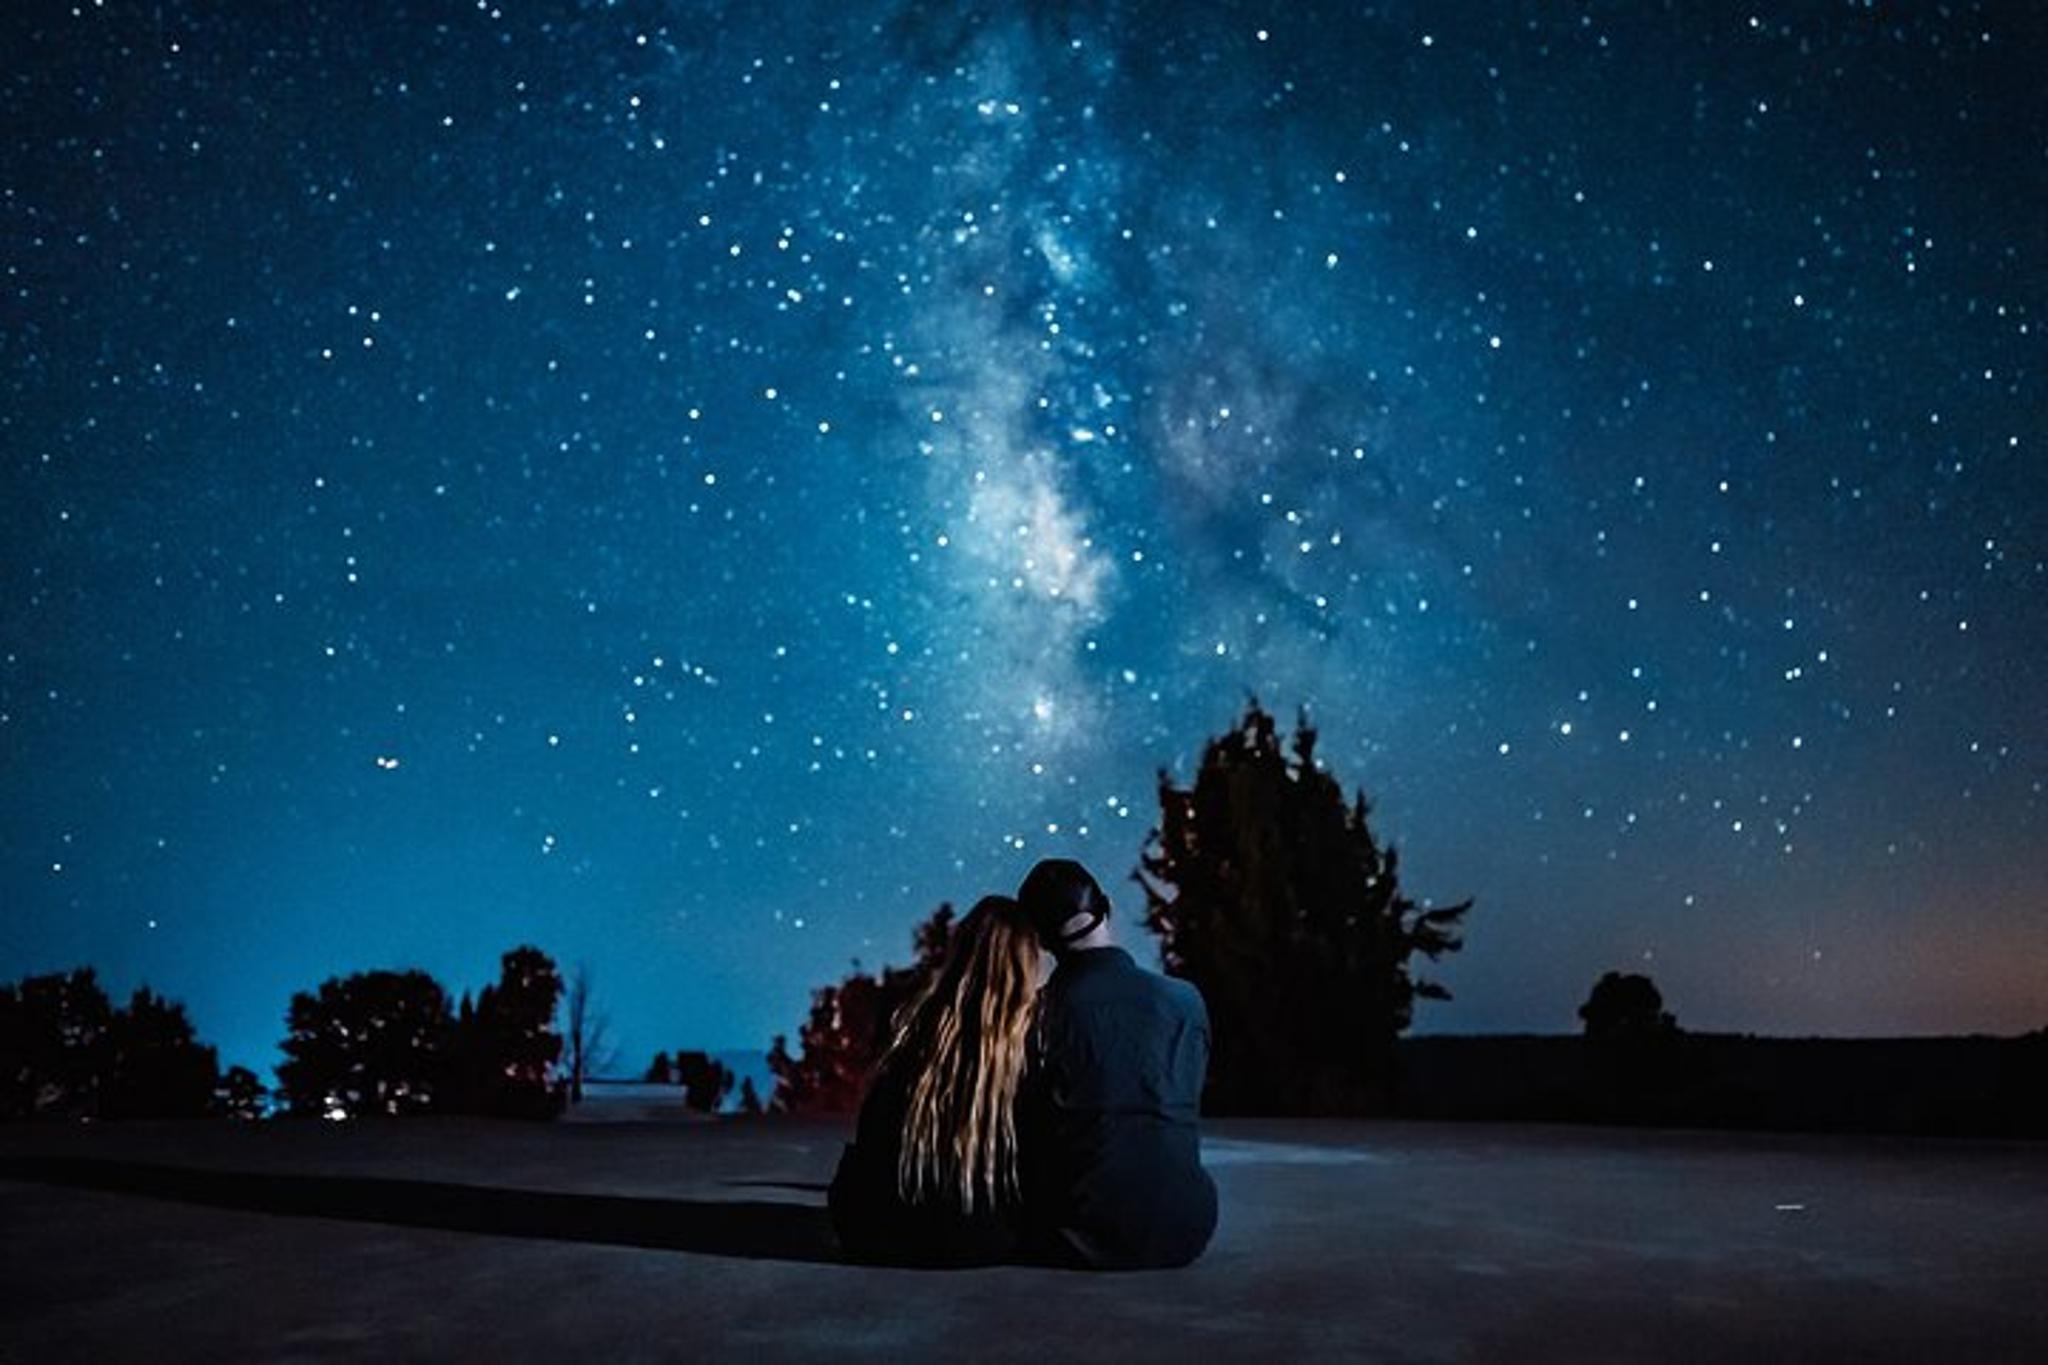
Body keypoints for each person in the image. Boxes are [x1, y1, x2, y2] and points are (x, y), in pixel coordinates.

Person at [1016, 858, 1218, 1269]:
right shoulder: (1186, 1000)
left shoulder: (1037, 1016)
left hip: (1080, 1235)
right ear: (1106, 908)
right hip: (1189, 1227)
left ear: (1039, 942)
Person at [827, 895, 1043, 1266]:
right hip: (986, 1240)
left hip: (880, 1236)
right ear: (1026, 963)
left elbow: (872, 1131)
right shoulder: (1035, 1039)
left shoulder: (912, 1026)